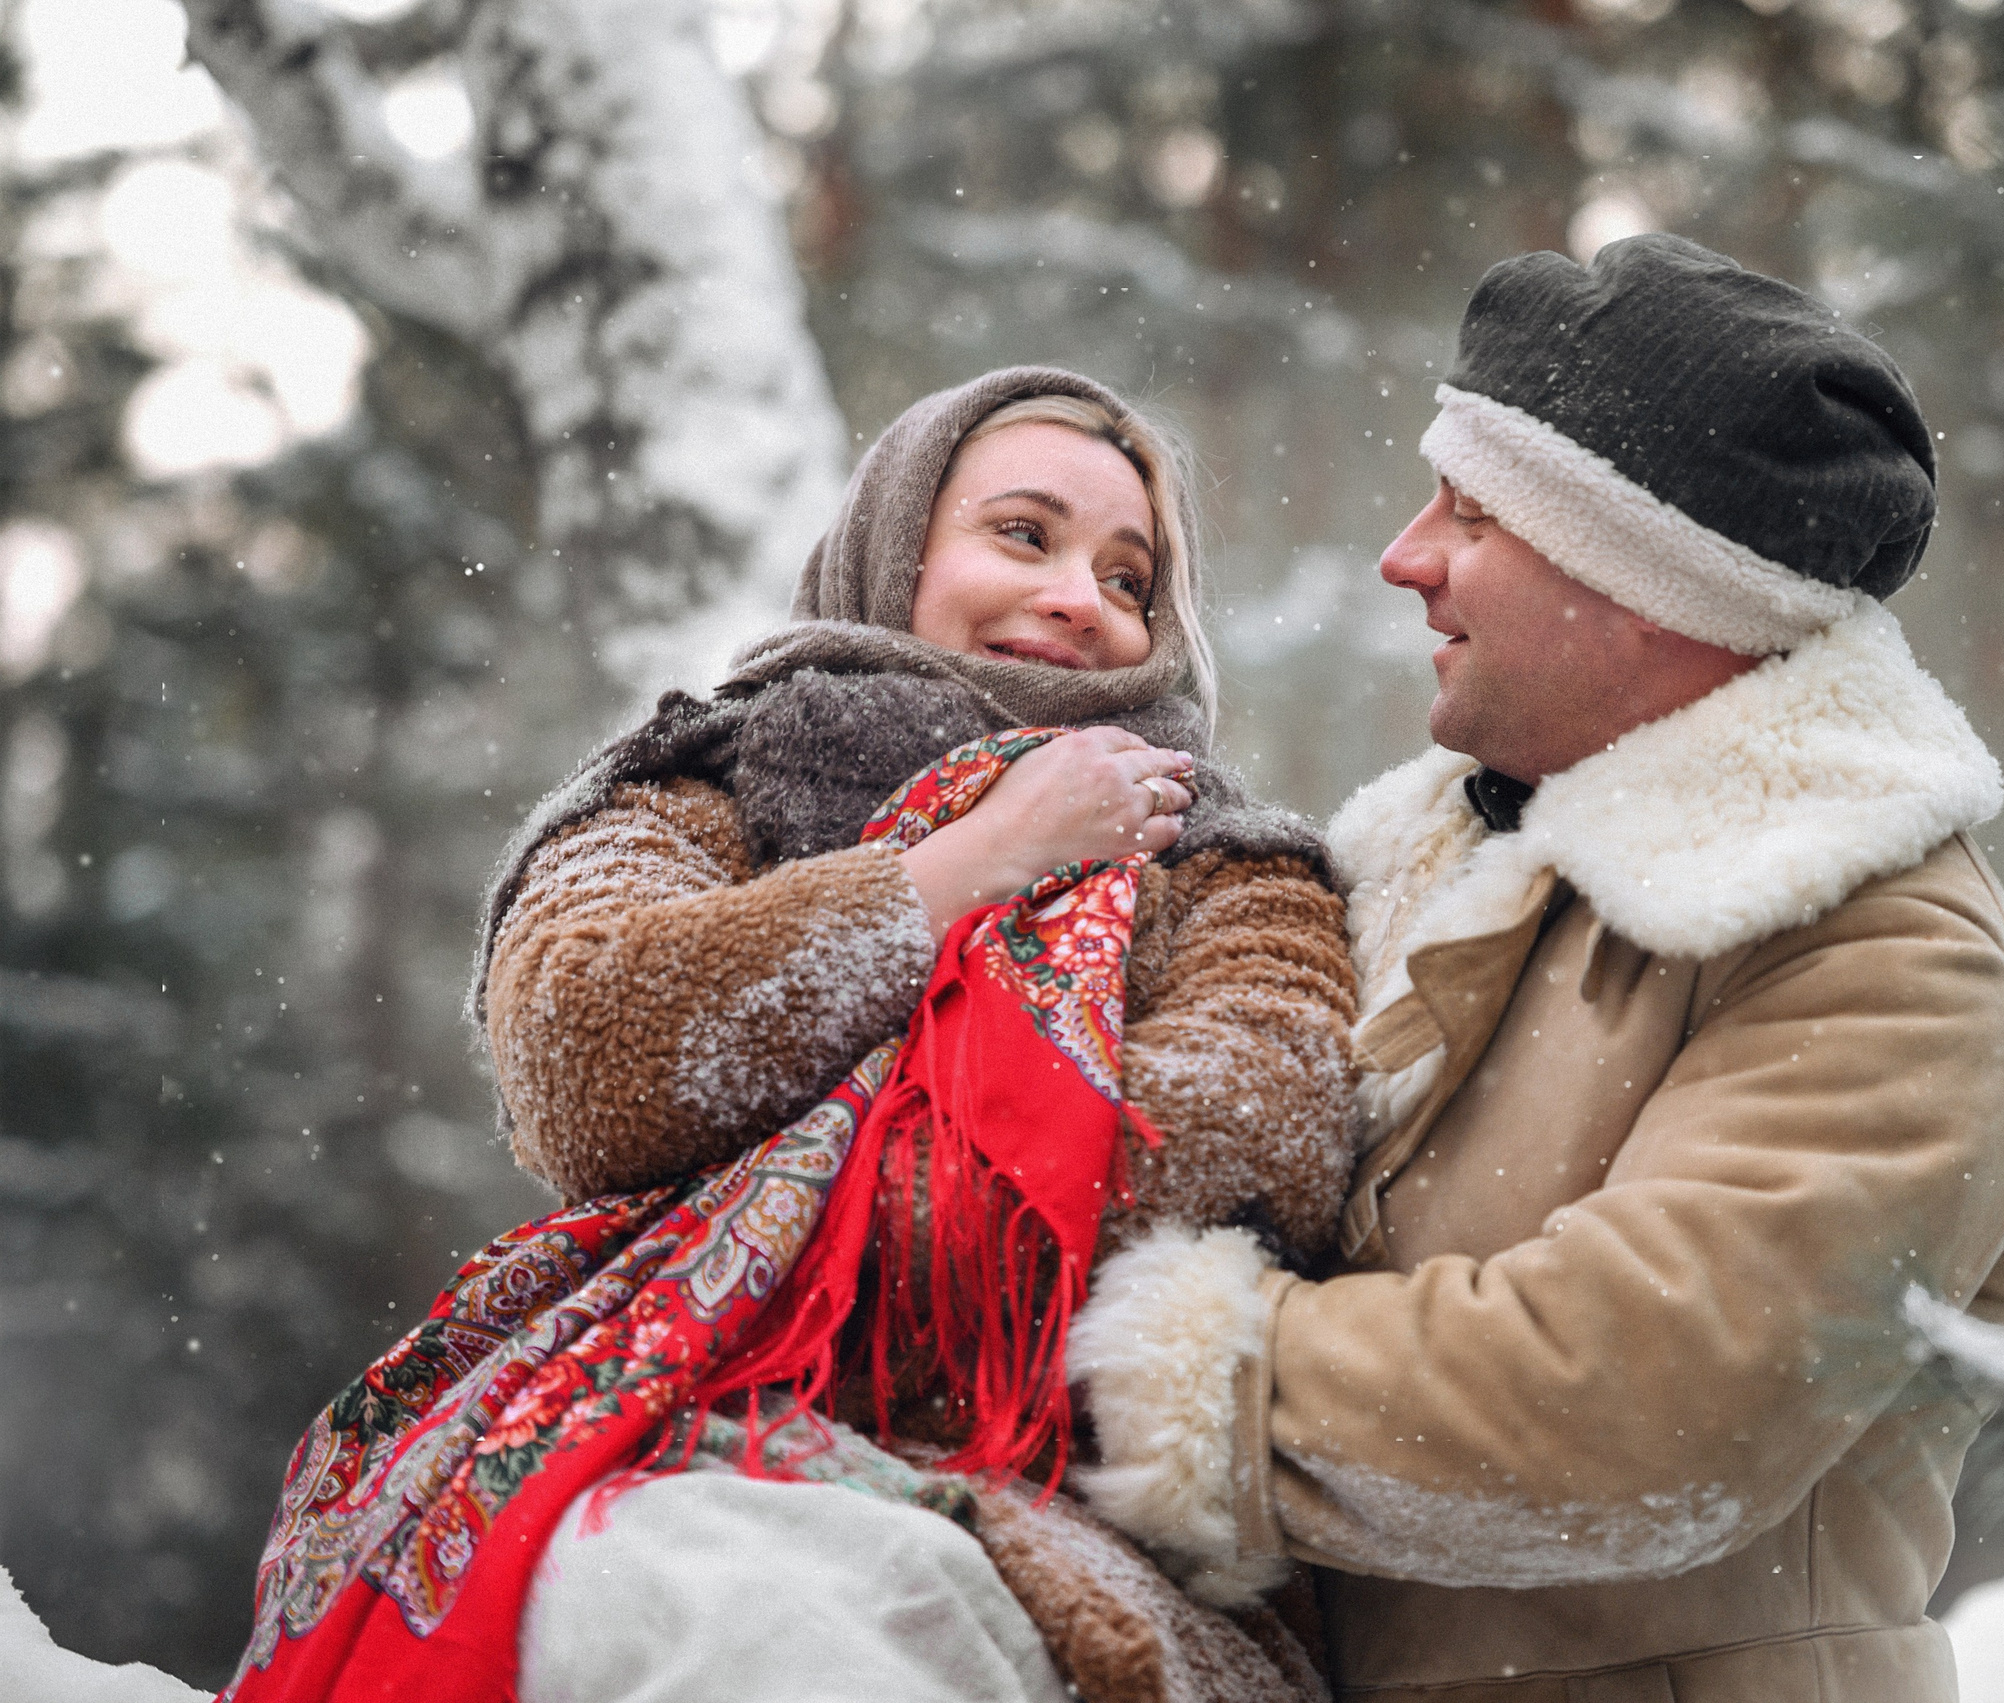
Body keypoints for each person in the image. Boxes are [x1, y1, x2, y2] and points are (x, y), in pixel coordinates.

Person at [1064, 236, 2004, 1702]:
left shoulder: (1893, 954)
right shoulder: (1445, 857)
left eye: (1471, 513)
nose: (1402, 557)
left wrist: (1137, 1383)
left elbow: (1637, 1407)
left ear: (1650, 582)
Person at [237, 368, 1355, 1703]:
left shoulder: (1237, 871)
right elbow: (586, 1052)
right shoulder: (699, 786)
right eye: (1024, 535)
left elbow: (1254, 1133)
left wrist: (764, 1170)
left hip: (1058, 1516)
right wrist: (968, 867)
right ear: (894, 546)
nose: (1079, 599)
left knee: (786, 1632)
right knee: (634, 1599)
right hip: (653, 1443)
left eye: (1131, 580)